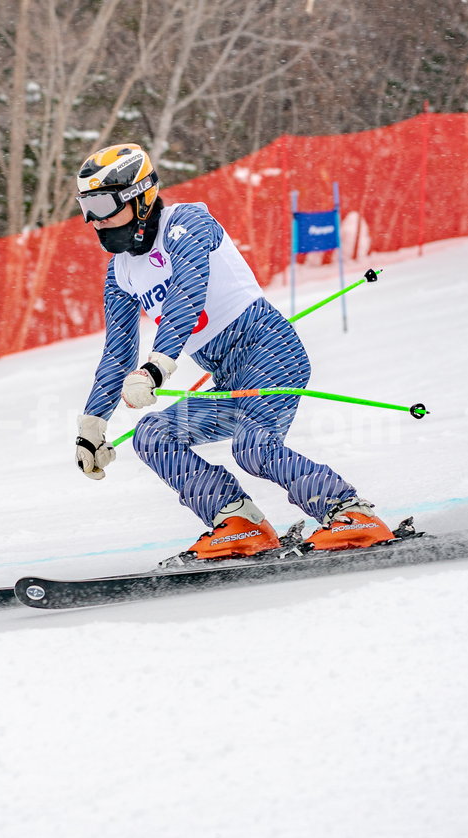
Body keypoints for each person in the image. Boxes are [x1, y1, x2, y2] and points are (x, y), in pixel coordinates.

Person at [71, 142, 394, 560]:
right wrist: (93, 423)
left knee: (253, 446)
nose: (94, 221)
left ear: (140, 196)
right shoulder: (120, 273)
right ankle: (240, 521)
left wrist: (156, 368)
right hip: (228, 377)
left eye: (103, 204)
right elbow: (117, 352)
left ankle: (351, 513)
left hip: (268, 349)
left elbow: (185, 294)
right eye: (86, 207)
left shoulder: (186, 224)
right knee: (153, 435)